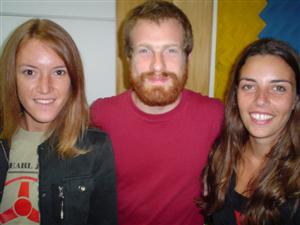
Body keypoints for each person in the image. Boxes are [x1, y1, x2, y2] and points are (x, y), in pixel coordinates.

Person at [90, 0, 224, 224]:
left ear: (187, 58)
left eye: (170, 50)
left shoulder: (216, 116)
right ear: (128, 58)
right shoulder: (100, 115)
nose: (157, 65)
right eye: (145, 51)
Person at [0, 19, 117, 225]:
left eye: (59, 72)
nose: (45, 87)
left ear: (73, 80)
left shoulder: (94, 148)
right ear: (12, 77)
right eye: (30, 72)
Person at [200, 38, 300, 225]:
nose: (261, 99)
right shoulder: (222, 155)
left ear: (295, 99)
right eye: (249, 86)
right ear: (236, 94)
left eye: (278, 88)